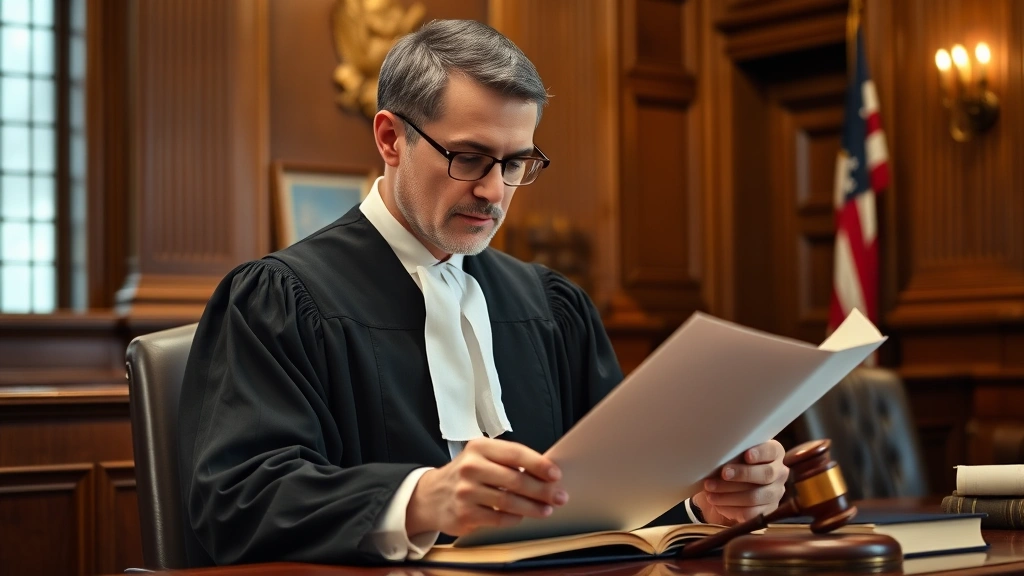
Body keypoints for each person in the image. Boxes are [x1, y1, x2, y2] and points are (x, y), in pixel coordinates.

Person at [177, 19, 789, 567]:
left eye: (517, 163)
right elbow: (237, 500)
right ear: (391, 139)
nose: (495, 192)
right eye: (469, 158)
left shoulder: (552, 308)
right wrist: (421, 499)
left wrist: (701, 504)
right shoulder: (280, 299)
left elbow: (613, 505)